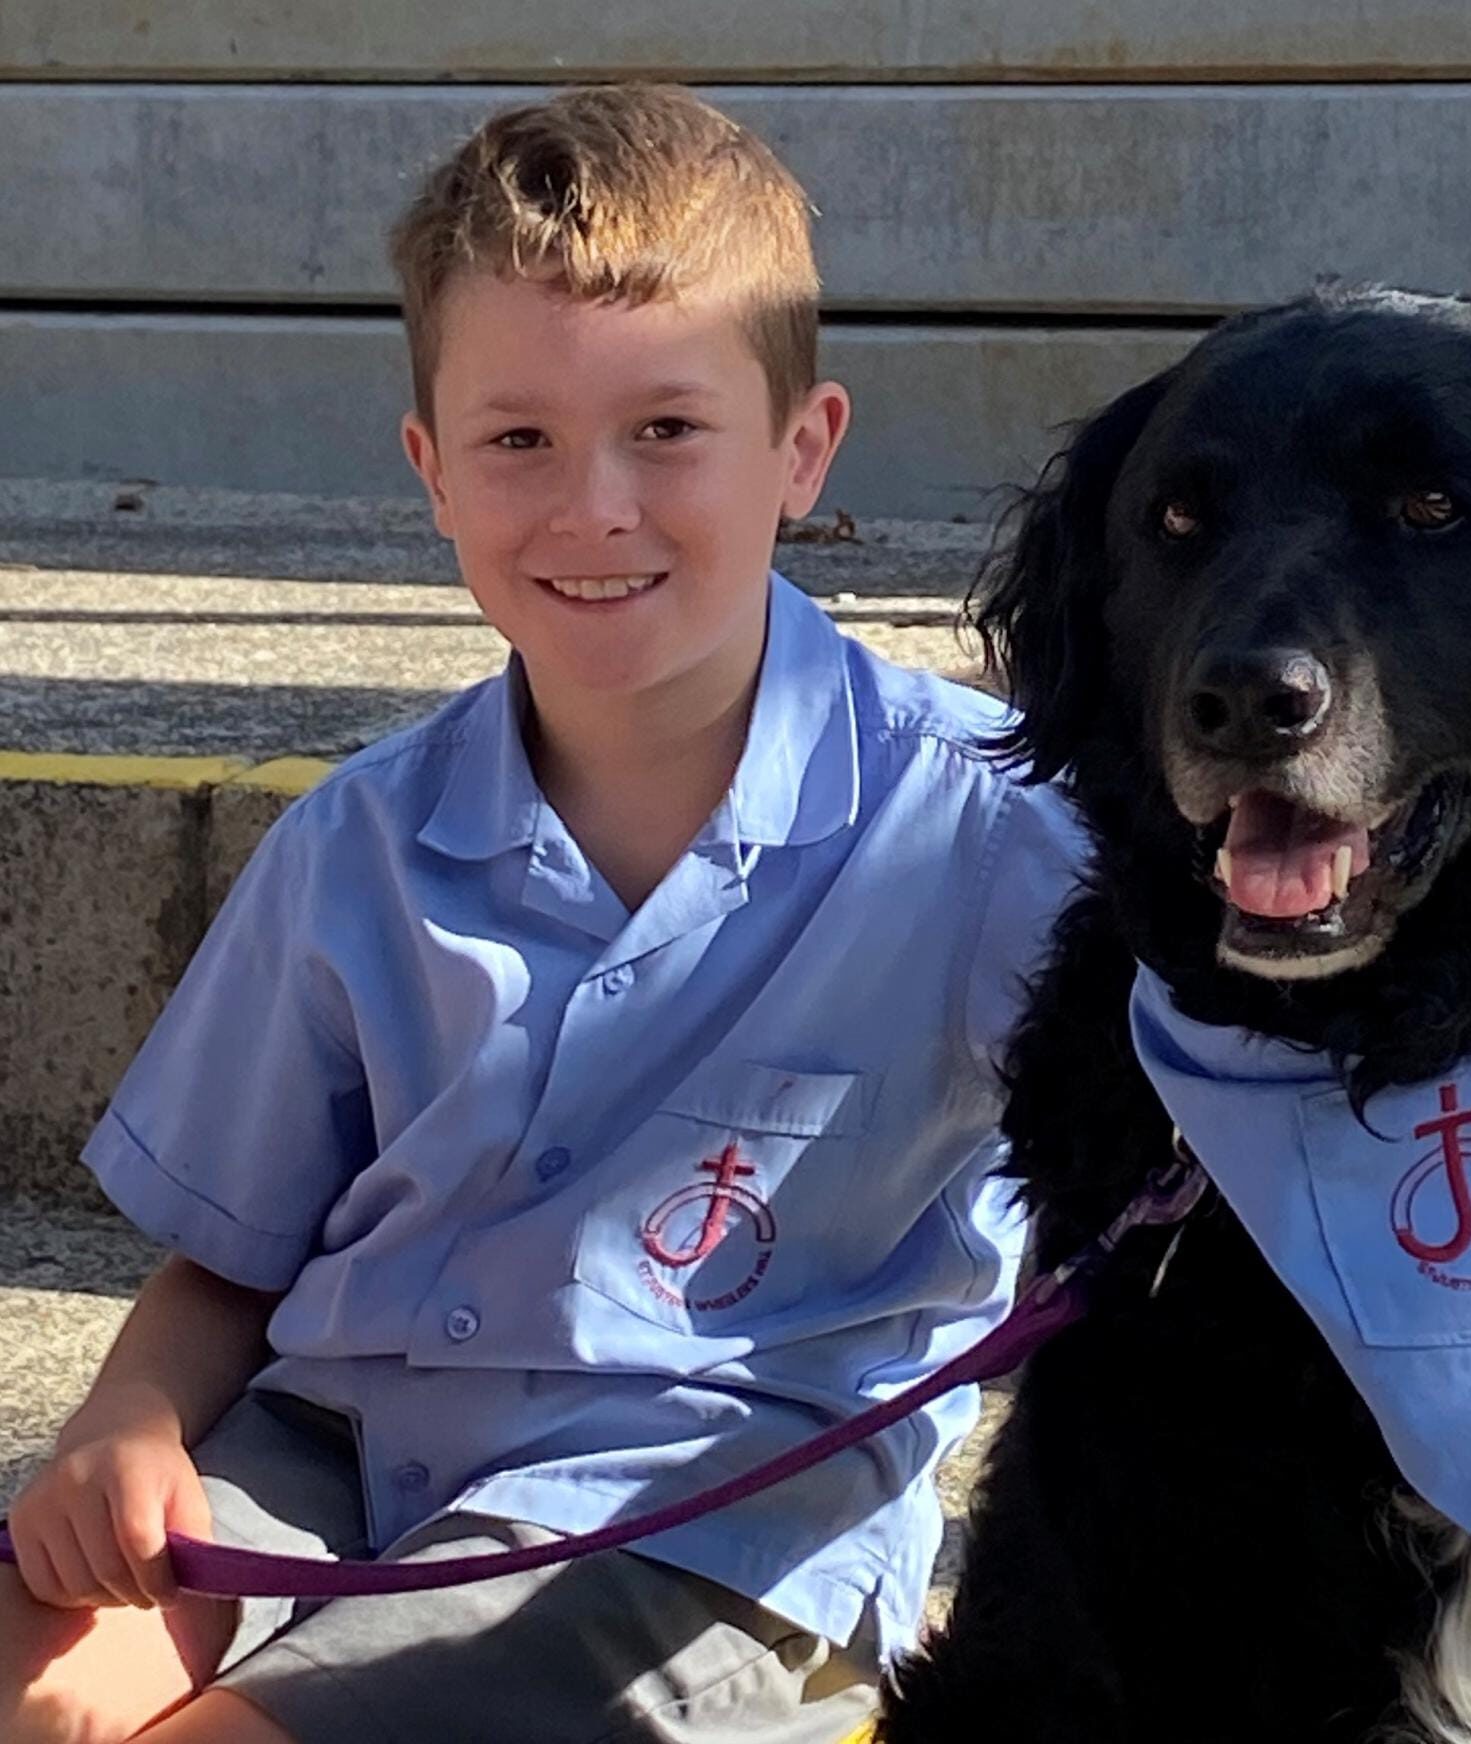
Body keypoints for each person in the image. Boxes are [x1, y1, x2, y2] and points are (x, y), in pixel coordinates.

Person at [0, 82, 1080, 1744]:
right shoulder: (360, 841)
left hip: (697, 1522)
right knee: (37, 1689)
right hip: (334, 1452)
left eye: (667, 429)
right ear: (431, 471)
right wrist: (126, 1422)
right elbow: (230, 1259)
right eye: (519, 441)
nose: (593, 507)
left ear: (803, 449)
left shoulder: (992, 838)